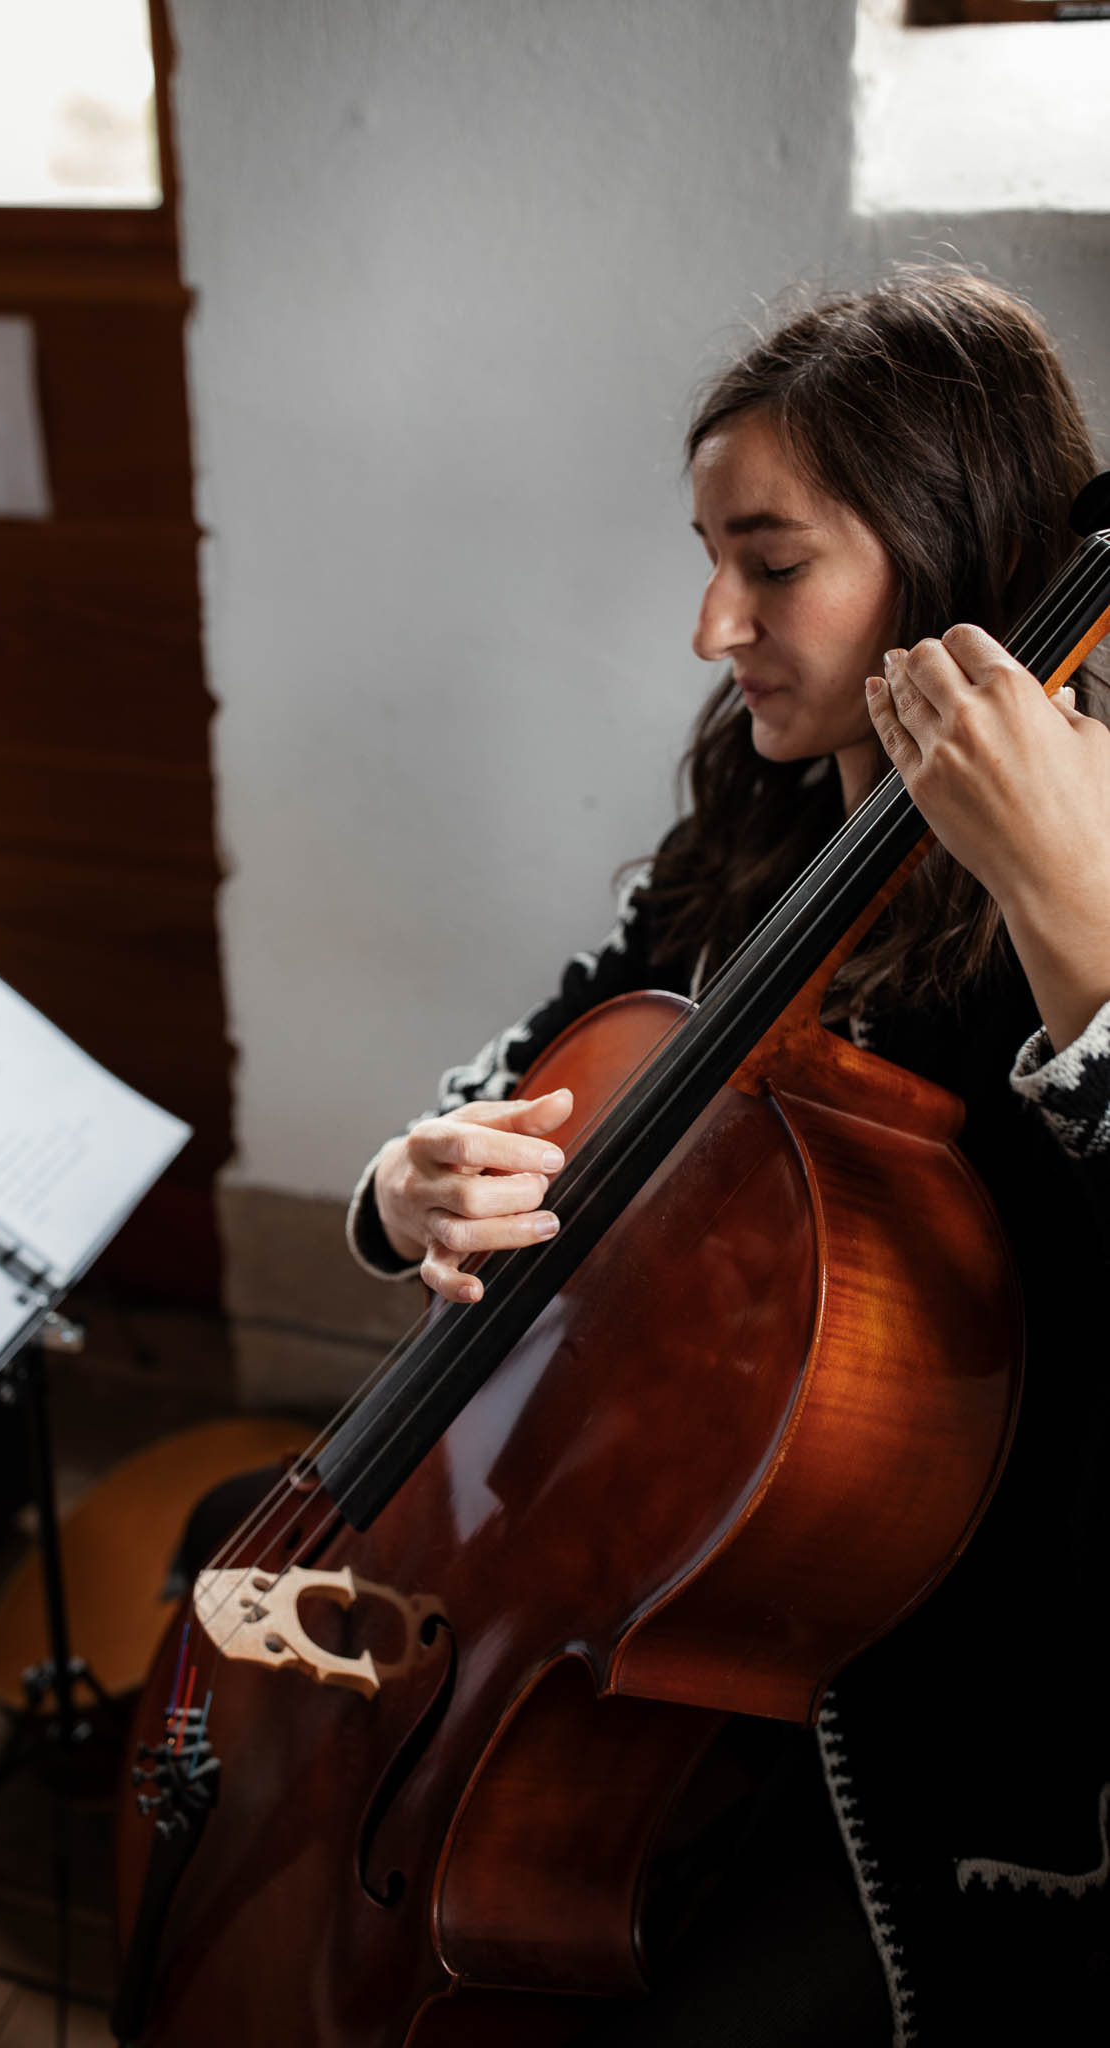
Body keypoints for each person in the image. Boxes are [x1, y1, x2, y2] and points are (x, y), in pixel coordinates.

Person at [346, 268, 1110, 2044]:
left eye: (770, 565)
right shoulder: (769, 794)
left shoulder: (1084, 860)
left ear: (947, 558)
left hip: (954, 1725)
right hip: (674, 1598)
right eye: (710, 556)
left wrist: (1076, 918)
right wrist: (414, 1178)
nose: (711, 626)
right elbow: (553, 1056)